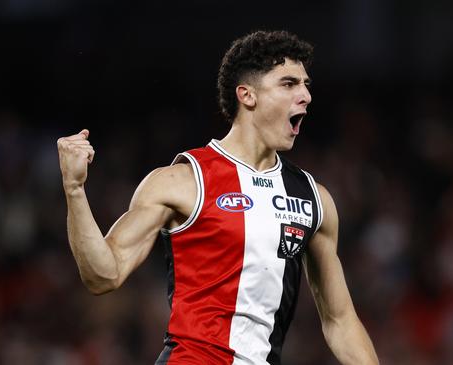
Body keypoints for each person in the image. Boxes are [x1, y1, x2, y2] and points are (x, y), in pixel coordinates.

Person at [57, 30, 378, 365]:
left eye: (306, 84)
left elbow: (340, 321)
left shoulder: (314, 198)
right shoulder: (182, 181)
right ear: (247, 95)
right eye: (288, 84)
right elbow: (103, 274)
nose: (306, 96)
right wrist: (75, 190)